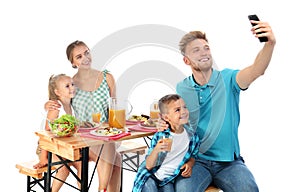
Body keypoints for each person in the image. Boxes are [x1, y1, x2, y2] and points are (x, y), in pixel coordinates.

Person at [158, 19, 276, 191]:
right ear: (186, 60)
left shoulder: (228, 79)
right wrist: (165, 123)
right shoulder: (182, 88)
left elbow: (257, 70)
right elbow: (178, 123)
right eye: (196, 50)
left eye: (206, 48)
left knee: (248, 189)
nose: (204, 53)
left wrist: (269, 44)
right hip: (196, 161)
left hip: (229, 162)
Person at [45, 40, 121, 192]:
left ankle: (103, 189)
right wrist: (48, 104)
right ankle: (102, 189)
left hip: (105, 134)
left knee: (114, 153)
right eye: (79, 56)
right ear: (73, 62)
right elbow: (62, 110)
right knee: (113, 154)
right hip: (83, 139)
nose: (85, 58)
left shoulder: (107, 77)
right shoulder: (71, 84)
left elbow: (114, 108)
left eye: (87, 52)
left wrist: (116, 124)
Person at [132, 94, 200, 192]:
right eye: (177, 110)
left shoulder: (192, 137)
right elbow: (149, 166)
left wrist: (189, 164)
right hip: (151, 175)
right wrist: (156, 149)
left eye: (184, 107)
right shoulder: (161, 136)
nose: (184, 112)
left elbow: (194, 155)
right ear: (166, 117)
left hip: (167, 180)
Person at [34, 74, 82, 192]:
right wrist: (43, 158)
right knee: (63, 169)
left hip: (62, 148)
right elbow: (46, 134)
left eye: (72, 84)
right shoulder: (56, 108)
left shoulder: (71, 105)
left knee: (82, 165)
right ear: (57, 92)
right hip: (48, 148)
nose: (72, 87)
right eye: (67, 86)